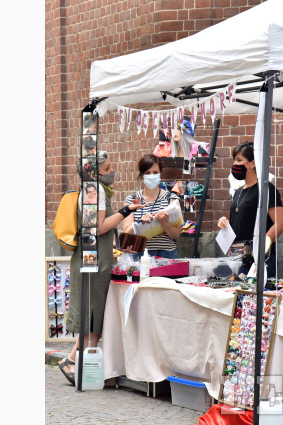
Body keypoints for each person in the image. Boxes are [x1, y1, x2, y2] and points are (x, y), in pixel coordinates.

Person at [58, 150, 147, 385]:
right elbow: (98, 227)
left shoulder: (94, 191)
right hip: (93, 262)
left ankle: (76, 363)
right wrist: (126, 211)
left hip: (95, 258)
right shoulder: (92, 191)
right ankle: (83, 368)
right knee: (93, 315)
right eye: (107, 169)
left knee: (93, 316)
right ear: (94, 172)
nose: (111, 172)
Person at [217, 141, 283, 278]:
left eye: (239, 160)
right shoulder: (238, 192)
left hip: (259, 258)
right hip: (236, 257)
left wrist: (260, 247)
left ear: (252, 163)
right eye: (234, 160)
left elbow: (280, 223)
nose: (235, 165)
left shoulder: (266, 189)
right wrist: (224, 222)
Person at [121, 154, 182, 259]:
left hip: (166, 254)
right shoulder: (131, 200)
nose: (152, 176)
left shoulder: (171, 199)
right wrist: (140, 222)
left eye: (155, 173)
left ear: (160, 174)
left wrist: (164, 222)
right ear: (141, 176)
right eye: (148, 173)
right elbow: (127, 233)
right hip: (139, 254)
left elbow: (176, 235)